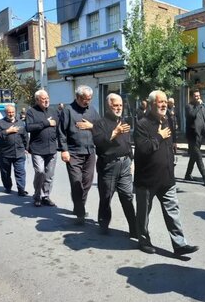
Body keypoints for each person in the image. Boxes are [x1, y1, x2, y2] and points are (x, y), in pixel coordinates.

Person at [134, 90, 199, 256]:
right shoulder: (142, 124)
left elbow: (169, 145)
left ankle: (180, 245)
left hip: (167, 178)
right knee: (144, 214)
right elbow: (144, 148)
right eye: (159, 102)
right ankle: (143, 240)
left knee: (173, 212)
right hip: (147, 180)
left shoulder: (168, 119)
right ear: (150, 104)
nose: (163, 105)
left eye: (164, 102)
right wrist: (159, 136)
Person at [92, 93, 136, 236]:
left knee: (127, 196)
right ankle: (103, 225)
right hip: (109, 165)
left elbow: (127, 143)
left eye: (120, 105)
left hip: (125, 164)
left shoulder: (123, 121)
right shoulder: (100, 123)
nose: (118, 108)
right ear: (108, 106)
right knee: (106, 197)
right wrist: (115, 132)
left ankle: (134, 229)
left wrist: (131, 160)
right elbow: (98, 143)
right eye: (115, 105)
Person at [58, 85, 100, 222]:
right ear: (77, 97)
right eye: (85, 99)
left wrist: (92, 127)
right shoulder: (68, 111)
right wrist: (64, 150)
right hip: (73, 153)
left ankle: (78, 206)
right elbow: (61, 132)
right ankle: (80, 213)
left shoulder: (92, 110)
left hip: (90, 152)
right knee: (76, 182)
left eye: (89, 99)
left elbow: (100, 127)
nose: (87, 101)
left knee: (87, 183)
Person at [26, 90, 59, 207]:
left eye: (47, 98)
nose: (46, 100)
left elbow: (59, 127)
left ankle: (46, 196)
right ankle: (37, 195)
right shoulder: (31, 112)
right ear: (37, 100)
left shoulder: (54, 111)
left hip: (52, 148)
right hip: (37, 148)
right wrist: (46, 123)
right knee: (40, 172)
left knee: (49, 174)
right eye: (43, 99)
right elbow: (29, 127)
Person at [0, 105, 28, 196]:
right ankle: (7, 187)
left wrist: (26, 148)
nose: (11, 114)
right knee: (5, 173)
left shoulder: (20, 122)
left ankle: (21, 189)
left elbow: (25, 136)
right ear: (5, 112)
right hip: (5, 153)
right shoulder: (0, 123)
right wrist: (7, 131)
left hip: (19, 152)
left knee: (20, 172)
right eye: (9, 112)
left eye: (12, 112)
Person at [184, 89, 205, 186]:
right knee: (198, 156)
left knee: (193, 156)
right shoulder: (188, 106)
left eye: (199, 95)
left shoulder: (201, 107)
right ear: (191, 97)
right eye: (196, 96)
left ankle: (188, 175)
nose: (198, 97)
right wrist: (198, 105)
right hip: (192, 135)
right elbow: (191, 116)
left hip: (200, 135)